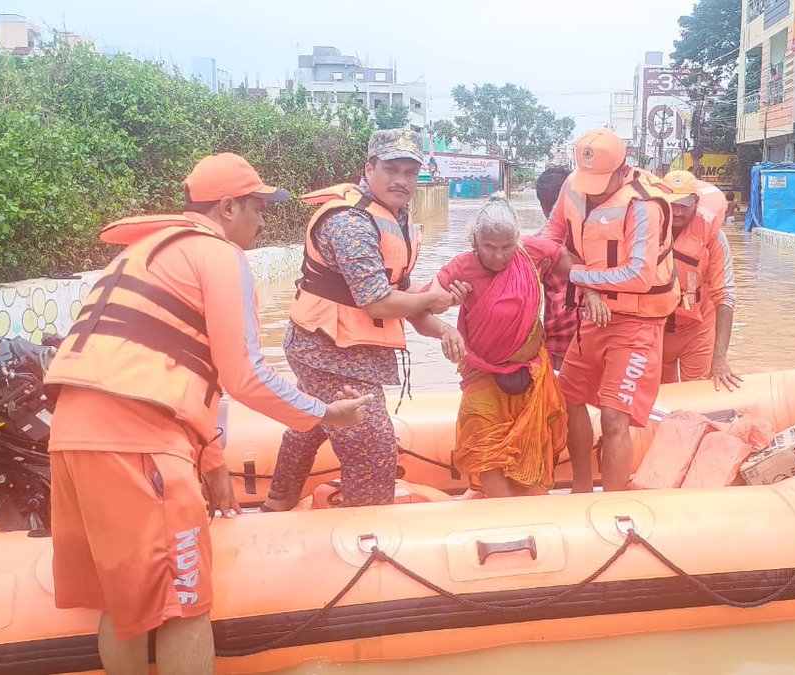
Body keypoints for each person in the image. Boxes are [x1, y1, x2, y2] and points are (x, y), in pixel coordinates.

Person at [43, 153, 374, 674]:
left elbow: (189, 368)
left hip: (71, 435)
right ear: (227, 208)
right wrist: (326, 413)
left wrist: (213, 461)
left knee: (121, 606)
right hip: (137, 442)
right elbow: (244, 374)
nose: (262, 220)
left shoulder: (145, 251)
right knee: (185, 607)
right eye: (257, 207)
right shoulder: (219, 255)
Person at [264, 129, 467, 511]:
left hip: (347, 349)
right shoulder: (350, 222)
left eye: (410, 172)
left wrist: (442, 324)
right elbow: (377, 302)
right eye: (391, 169)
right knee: (373, 447)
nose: (401, 180)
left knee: (311, 424)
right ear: (369, 168)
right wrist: (430, 299)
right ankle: (368, 532)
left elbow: (402, 293)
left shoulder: (396, 217)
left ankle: (277, 503)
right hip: (327, 352)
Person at [539, 128, 680, 492]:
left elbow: (639, 275)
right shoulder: (573, 185)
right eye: (589, 181)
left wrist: (577, 276)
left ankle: (613, 500)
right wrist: (586, 288)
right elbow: (551, 237)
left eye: (601, 183)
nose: (593, 190)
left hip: (637, 320)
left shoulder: (644, 205)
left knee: (614, 416)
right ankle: (581, 488)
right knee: (570, 399)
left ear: (622, 169)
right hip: (593, 314)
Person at [435, 196, 569, 497]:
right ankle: (505, 514)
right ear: (475, 241)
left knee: (529, 452)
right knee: (484, 452)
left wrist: (593, 294)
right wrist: (445, 329)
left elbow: (567, 264)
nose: (498, 255)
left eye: (506, 246)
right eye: (489, 247)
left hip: (530, 375)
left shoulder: (530, 254)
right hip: (483, 376)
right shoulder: (461, 268)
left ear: (517, 240)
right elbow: (422, 308)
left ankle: (535, 519)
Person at [660, 170, 742, 391]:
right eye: (672, 204)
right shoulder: (646, 233)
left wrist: (720, 357)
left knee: (698, 393)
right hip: (656, 330)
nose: (677, 211)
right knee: (656, 398)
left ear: (696, 202)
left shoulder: (714, 238)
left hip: (697, 331)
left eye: (684, 204)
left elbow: (725, 296)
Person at [535, 165, 577, 368]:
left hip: (557, 343)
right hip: (598, 339)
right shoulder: (598, 237)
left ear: (542, 206)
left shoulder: (534, 246)